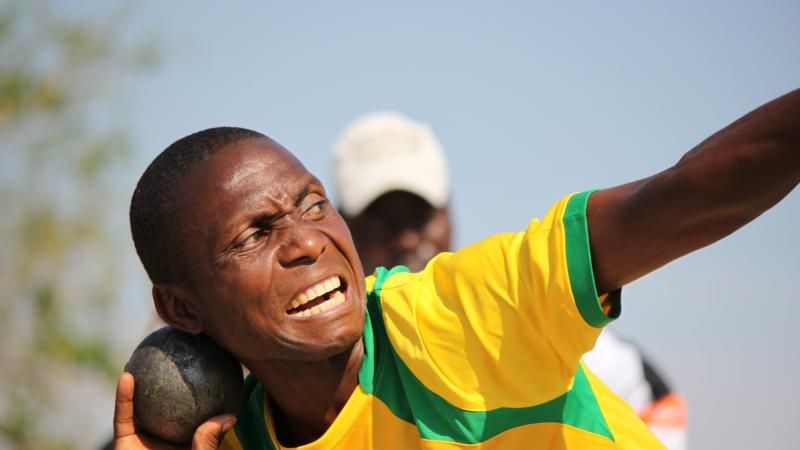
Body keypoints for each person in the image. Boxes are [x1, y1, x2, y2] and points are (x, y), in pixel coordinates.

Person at [114, 88, 800, 450]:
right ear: (182, 310)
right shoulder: (230, 442)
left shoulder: (460, 312)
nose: (307, 243)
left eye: (313, 205)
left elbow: (681, 199)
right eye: (256, 235)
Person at [330, 111, 689, 449]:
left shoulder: (548, 334)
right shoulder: (314, 374)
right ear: (340, 225)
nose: (406, 239)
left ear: (448, 214)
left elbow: (659, 408)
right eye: (382, 219)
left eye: (420, 217)